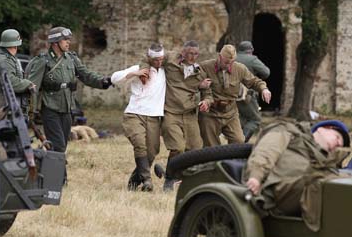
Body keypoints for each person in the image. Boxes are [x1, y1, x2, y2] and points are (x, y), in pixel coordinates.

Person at [245, 119, 351, 232]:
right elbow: (267, 151)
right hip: (278, 191)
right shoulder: (288, 131)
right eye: (337, 137)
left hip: (308, 189)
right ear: (322, 129)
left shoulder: (324, 159)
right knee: (324, 181)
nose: (339, 144)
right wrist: (256, 176)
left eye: (341, 144)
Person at [27, 26, 112, 153]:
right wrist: (30, 111)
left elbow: (85, 75)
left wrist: (103, 81)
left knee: (63, 145)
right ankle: (59, 172)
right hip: (50, 108)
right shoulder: (43, 61)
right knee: (58, 145)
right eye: (65, 40)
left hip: (67, 108)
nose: (68, 42)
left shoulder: (71, 59)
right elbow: (32, 87)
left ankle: (53, 169)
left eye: (68, 39)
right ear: (55, 43)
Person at [111, 43, 166, 192]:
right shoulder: (139, 68)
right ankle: (147, 181)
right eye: (156, 60)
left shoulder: (166, 71)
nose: (159, 63)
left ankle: (134, 180)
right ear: (149, 58)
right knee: (140, 144)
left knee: (152, 152)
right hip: (134, 114)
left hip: (154, 117)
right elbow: (114, 78)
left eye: (161, 59)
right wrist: (136, 74)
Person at [160, 40, 213, 192]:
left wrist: (206, 102)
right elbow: (150, 57)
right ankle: (170, 178)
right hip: (171, 112)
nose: (193, 57)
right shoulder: (170, 59)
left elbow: (208, 94)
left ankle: (186, 179)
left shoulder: (199, 72)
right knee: (177, 147)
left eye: (196, 54)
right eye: (190, 53)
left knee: (195, 149)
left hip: (189, 114)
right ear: (183, 52)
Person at [198, 44, 271, 147]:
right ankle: (215, 163)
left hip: (230, 113)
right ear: (219, 57)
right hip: (211, 114)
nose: (229, 65)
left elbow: (254, 81)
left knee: (239, 141)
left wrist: (264, 89)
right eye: (226, 62)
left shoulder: (239, 68)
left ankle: (231, 162)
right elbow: (194, 84)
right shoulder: (205, 67)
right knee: (211, 146)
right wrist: (200, 87)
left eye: (231, 62)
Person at [0, 29, 35, 125]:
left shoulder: (0, 57)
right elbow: (11, 83)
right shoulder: (4, 60)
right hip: (5, 104)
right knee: (10, 136)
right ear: (15, 44)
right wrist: (28, 84)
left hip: (3, 102)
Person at [236, 41, 270, 142]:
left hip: (231, 93)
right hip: (247, 95)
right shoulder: (252, 59)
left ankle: (234, 144)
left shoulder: (232, 58)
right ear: (250, 50)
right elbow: (266, 72)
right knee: (255, 120)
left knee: (239, 119)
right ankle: (241, 142)